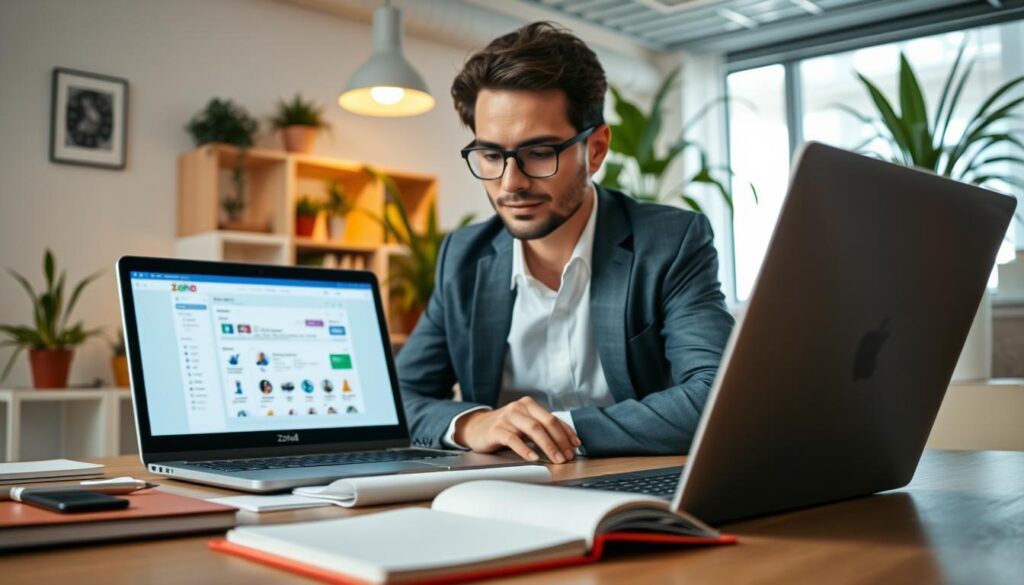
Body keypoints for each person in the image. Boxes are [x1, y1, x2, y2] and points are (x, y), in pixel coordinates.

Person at [397, 22, 733, 463]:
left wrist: (553, 431)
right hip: (499, 494)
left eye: (539, 153)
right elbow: (400, 396)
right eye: (492, 156)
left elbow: (713, 396)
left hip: (632, 485)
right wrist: (474, 423)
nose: (510, 183)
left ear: (595, 149)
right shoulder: (463, 257)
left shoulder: (669, 243)